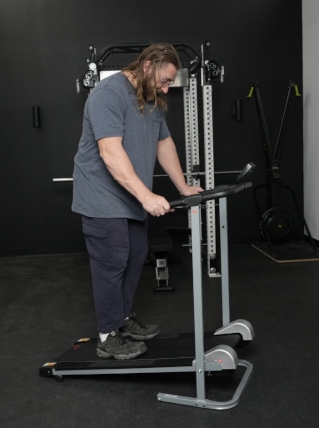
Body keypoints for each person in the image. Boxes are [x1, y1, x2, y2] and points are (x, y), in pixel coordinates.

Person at [71, 43, 203, 360]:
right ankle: (106, 336)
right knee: (112, 261)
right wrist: (146, 196)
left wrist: (182, 186)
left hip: (131, 197)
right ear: (146, 67)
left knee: (135, 255)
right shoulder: (108, 94)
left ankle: (122, 319)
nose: (167, 88)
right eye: (165, 80)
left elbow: (164, 142)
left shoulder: (151, 98)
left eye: (170, 82)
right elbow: (110, 153)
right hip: (102, 196)